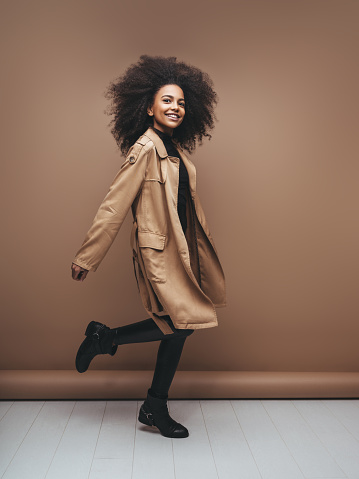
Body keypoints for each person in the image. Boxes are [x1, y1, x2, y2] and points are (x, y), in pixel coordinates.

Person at [71, 55, 226, 439]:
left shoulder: (175, 152)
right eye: (168, 100)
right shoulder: (145, 149)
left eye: (181, 102)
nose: (176, 107)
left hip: (182, 251)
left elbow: (186, 208)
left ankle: (148, 399)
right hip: (158, 254)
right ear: (149, 106)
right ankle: (114, 351)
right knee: (179, 324)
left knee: (179, 327)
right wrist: (87, 257)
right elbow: (114, 205)